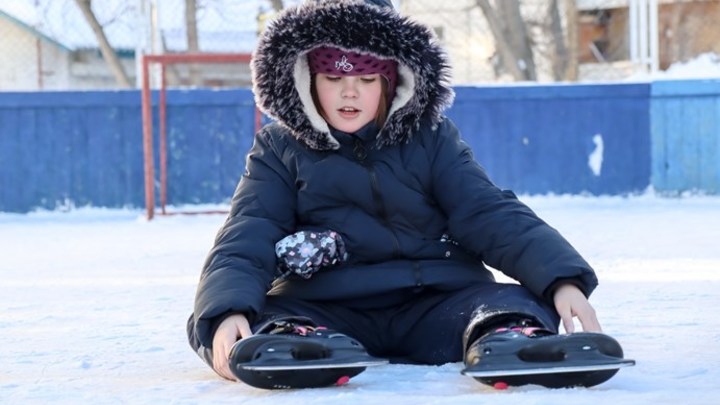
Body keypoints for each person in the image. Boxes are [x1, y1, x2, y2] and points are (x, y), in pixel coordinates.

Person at [186, 0, 608, 387]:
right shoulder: (280, 149)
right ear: (309, 82)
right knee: (250, 317)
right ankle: (295, 343)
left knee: (509, 300)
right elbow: (249, 231)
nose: (349, 91)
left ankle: (509, 337)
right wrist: (227, 312)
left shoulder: (431, 138)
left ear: (390, 83)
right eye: (334, 77)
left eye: (366, 78)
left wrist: (561, 279)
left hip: (434, 302)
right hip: (328, 306)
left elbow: (486, 210)